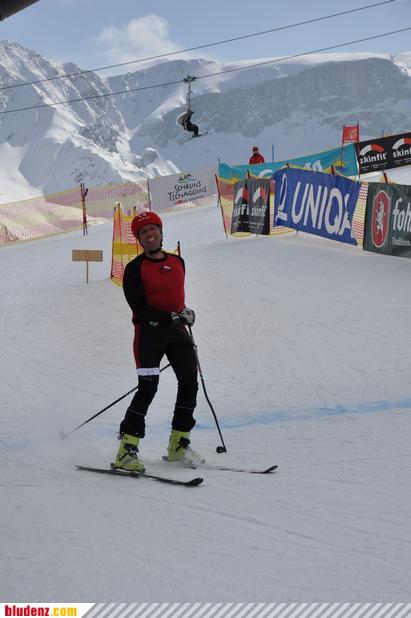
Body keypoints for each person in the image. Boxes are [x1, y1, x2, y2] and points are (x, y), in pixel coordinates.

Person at [114, 210, 203, 472]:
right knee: (148, 387)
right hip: (148, 336)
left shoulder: (178, 262)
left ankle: (178, 445)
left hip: (177, 333)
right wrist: (169, 317)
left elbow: (176, 299)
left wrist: (186, 313)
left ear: (161, 231)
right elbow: (139, 308)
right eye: (143, 232)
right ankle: (126, 450)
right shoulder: (134, 269)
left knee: (189, 383)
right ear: (139, 239)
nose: (149, 234)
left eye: (153, 229)